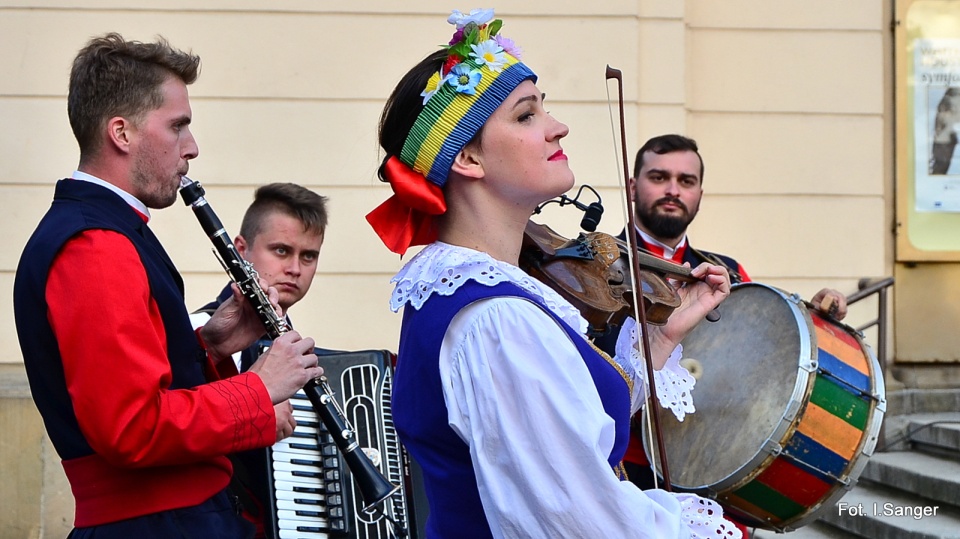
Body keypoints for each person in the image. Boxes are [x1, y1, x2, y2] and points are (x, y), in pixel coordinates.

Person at [365, 9, 741, 538]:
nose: (557, 127)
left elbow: (570, 424)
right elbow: (583, 522)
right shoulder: (496, 320)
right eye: (526, 116)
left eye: (545, 109)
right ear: (468, 157)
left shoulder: (464, 292)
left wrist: (659, 335)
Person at [12, 33, 323, 538]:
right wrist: (259, 389)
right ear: (122, 133)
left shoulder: (111, 233)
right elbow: (133, 428)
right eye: (177, 127)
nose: (191, 148)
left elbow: (140, 383)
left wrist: (212, 345)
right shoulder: (94, 246)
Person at [594, 133, 850, 535]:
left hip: (710, 477)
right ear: (632, 187)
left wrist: (812, 315)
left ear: (699, 192)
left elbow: (762, 354)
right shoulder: (594, 266)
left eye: (686, 181)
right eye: (659, 177)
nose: (673, 190)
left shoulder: (726, 273)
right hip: (624, 476)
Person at [190, 182, 328, 536]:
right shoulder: (197, 331)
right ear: (241, 250)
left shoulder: (293, 344)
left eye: (308, 255)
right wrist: (255, 401)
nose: (295, 268)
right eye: (281, 251)